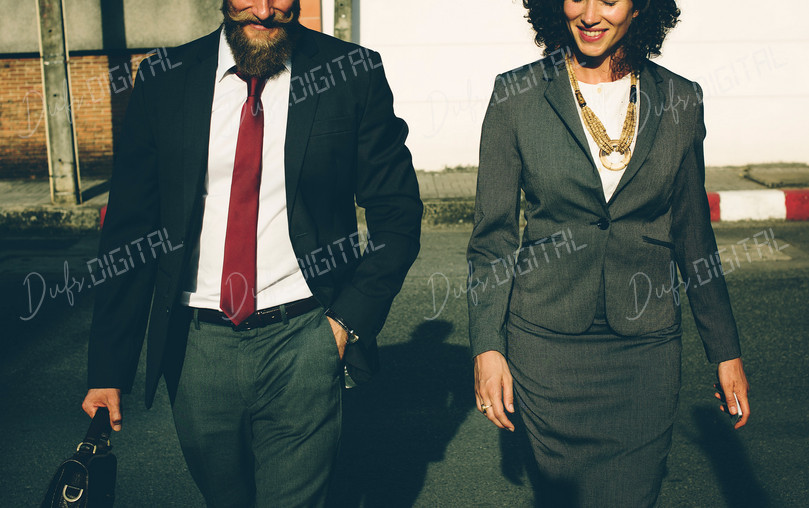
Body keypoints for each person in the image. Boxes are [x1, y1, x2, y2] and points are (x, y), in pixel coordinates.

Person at [81, 0, 422, 506]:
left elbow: (397, 213)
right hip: (196, 347)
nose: (264, 9)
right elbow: (131, 230)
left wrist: (345, 323)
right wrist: (108, 371)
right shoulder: (164, 77)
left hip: (305, 337)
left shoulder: (351, 73)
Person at [467, 0, 750, 505]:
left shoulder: (681, 99)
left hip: (644, 352)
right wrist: (487, 346)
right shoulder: (517, 95)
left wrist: (725, 350)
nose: (591, 13)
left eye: (611, 0)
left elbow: (693, 235)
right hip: (546, 347)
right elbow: (494, 238)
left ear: (641, 8)